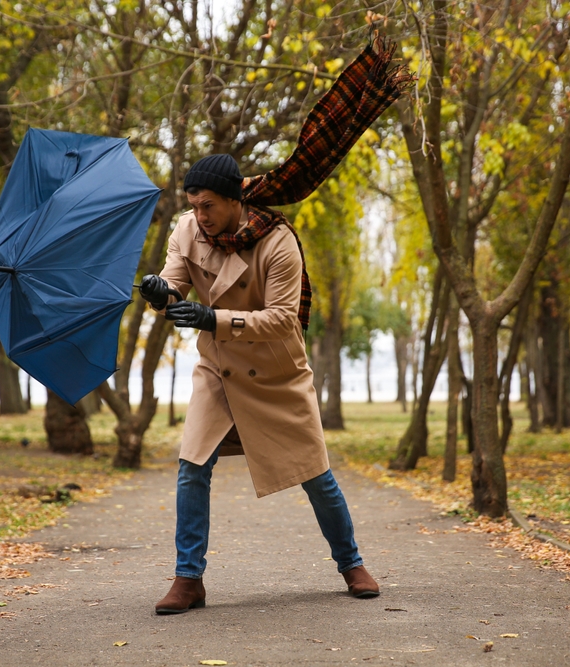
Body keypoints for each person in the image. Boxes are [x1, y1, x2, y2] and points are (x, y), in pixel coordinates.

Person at [139, 33, 412, 615]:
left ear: (235, 200)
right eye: (192, 204)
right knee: (192, 468)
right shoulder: (188, 230)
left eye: (207, 205)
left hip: (278, 375)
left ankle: (352, 562)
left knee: (316, 475)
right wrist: (159, 295)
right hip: (218, 373)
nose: (197, 215)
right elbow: (175, 283)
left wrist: (213, 317)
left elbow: (284, 322)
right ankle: (189, 579)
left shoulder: (278, 243)